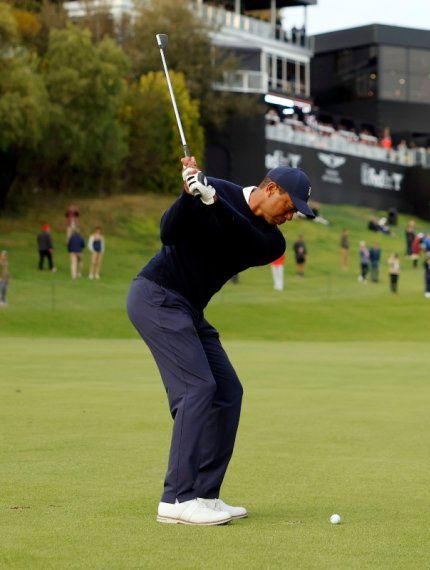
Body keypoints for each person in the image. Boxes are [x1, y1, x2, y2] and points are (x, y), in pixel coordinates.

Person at [126, 157, 314, 526]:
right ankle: (176, 499)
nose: (290, 217)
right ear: (271, 189)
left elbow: (239, 237)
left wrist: (212, 202)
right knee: (196, 388)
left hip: (189, 309)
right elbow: (168, 234)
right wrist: (188, 197)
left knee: (228, 391)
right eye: (290, 206)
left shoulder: (271, 242)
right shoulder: (214, 189)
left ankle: (205, 495)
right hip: (157, 295)